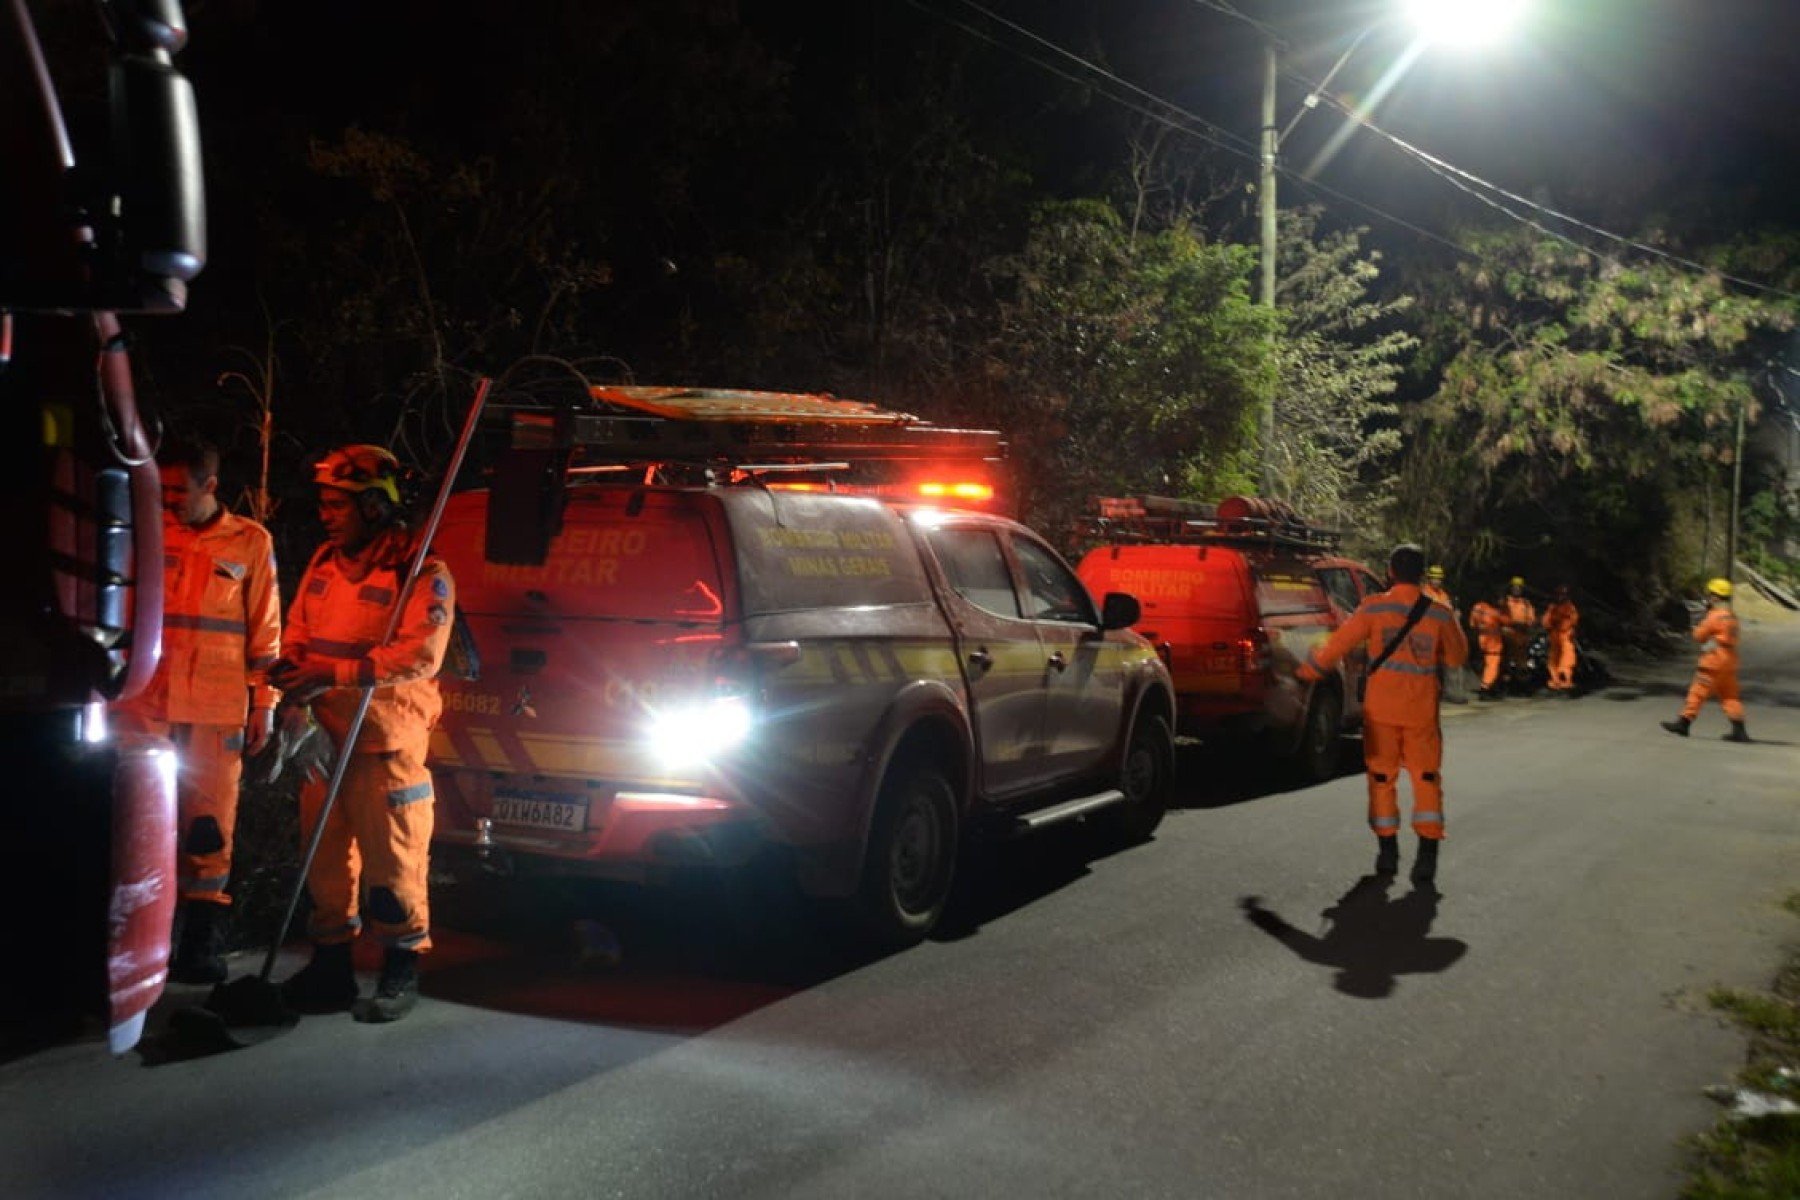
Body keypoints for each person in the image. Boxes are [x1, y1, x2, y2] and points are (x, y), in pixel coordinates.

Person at [270, 444, 456, 1023]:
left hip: (384, 741)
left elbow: (419, 655)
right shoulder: (324, 563)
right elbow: (296, 634)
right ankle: (331, 968)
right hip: (324, 740)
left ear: (375, 507)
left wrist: (335, 674)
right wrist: (291, 693)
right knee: (324, 863)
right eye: (324, 503)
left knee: (393, 862)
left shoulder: (421, 570)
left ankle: (400, 969)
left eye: (339, 505)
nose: (326, 514)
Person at [111, 440, 281, 984]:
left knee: (208, 831)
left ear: (210, 487)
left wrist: (266, 705)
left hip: (215, 711)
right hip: (145, 704)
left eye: (178, 491)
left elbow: (266, 631)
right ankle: (133, 945)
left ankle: (200, 943)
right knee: (136, 825)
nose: (166, 501)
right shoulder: (147, 533)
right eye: (161, 491)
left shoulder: (251, 542)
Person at [1299, 544, 1469, 882]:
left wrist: (1309, 671)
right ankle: (1427, 856)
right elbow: (1456, 657)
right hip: (1421, 712)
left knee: (1381, 779)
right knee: (1425, 779)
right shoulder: (1439, 612)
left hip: (1381, 712)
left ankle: (1387, 853)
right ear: (1421, 573)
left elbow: (1339, 644)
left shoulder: (1374, 608)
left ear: (1390, 571)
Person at [1662, 578, 1750, 743]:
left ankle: (1684, 723)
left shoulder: (1714, 616)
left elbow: (1699, 636)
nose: (1708, 597)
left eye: (1710, 594)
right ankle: (1739, 729)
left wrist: (1698, 623)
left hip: (1714, 659)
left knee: (1698, 691)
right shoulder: (1732, 617)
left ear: (1716, 597)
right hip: (1730, 659)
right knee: (1730, 695)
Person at [1467, 591, 1507, 700]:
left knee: (1485, 664)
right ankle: (1485, 688)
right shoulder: (1495, 611)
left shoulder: (1478, 607)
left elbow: (1472, 623)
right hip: (1492, 642)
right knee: (1492, 664)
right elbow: (1507, 621)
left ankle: (1490, 687)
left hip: (1479, 639)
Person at [1542, 585, 1580, 696]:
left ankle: (1565, 680)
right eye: (1559, 594)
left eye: (1563, 594)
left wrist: (1571, 631)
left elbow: (1574, 620)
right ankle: (1555, 681)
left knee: (1567, 658)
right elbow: (1546, 621)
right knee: (1553, 659)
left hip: (1566, 635)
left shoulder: (1570, 607)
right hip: (1555, 636)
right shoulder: (1552, 608)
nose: (1560, 597)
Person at [1502, 576, 1537, 687]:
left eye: (1519, 587)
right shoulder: (1505, 602)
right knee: (1506, 661)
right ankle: (1505, 683)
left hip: (1522, 635)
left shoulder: (1526, 604)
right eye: (1514, 587)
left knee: (1522, 662)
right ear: (1511, 588)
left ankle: (1521, 685)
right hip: (1508, 635)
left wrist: (1528, 625)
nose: (1516, 589)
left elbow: (1531, 619)